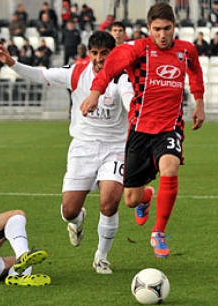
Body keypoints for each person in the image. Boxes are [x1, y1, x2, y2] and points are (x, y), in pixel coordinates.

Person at [0, 31, 133, 274]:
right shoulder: (77, 72)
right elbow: (39, 74)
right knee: (69, 211)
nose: (99, 59)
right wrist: (12, 63)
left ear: (113, 54)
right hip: (83, 147)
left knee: (109, 203)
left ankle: (102, 256)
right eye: (95, 53)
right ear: (89, 53)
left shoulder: (122, 77)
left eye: (105, 54)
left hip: (115, 147)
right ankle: (77, 222)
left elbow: (129, 100)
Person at [80, 2, 205, 259]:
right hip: (139, 129)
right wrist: (95, 93)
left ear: (174, 27)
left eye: (167, 29)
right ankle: (147, 196)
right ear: (149, 28)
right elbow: (110, 68)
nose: (162, 34)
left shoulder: (186, 50)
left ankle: (158, 232)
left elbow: (195, 71)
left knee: (170, 166)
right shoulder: (138, 50)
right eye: (157, 29)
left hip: (170, 127)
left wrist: (199, 102)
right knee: (130, 200)